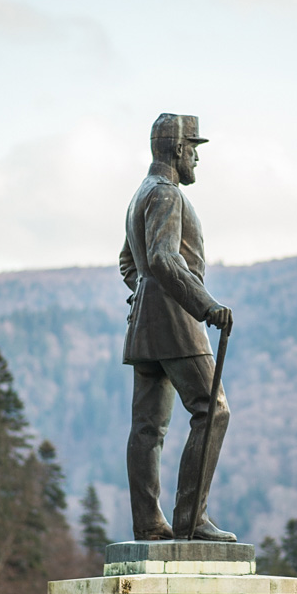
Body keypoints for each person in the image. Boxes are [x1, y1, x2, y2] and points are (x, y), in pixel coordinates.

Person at [119, 113, 236, 542]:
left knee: (147, 428)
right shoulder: (166, 195)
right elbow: (165, 259)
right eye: (195, 151)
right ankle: (190, 520)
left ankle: (149, 525)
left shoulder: (140, 195)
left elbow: (130, 264)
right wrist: (205, 305)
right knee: (213, 410)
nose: (197, 161)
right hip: (177, 322)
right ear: (177, 149)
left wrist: (145, 294)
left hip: (145, 327)